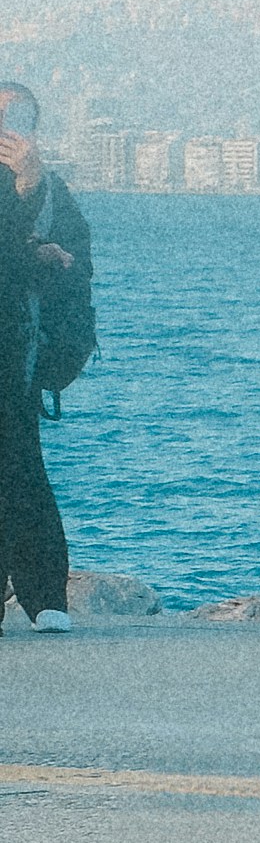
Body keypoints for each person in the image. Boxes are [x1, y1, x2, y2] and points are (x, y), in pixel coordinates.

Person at [0, 82, 94, 636]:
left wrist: (54, 256)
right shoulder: (35, 188)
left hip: (18, 355)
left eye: (19, 114)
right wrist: (29, 248)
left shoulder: (50, 188)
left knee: (21, 469)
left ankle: (44, 597)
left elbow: (80, 256)